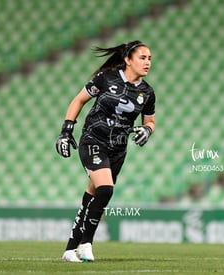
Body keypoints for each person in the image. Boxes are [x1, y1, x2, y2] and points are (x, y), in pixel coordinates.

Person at [55, 40, 156, 262]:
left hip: (118, 149)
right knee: (106, 189)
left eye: (149, 58)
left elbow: (150, 121)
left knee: (92, 196)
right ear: (128, 60)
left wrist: (147, 131)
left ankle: (70, 250)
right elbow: (79, 100)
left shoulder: (147, 93)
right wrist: (66, 131)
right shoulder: (106, 78)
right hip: (94, 140)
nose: (148, 62)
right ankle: (86, 244)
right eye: (142, 57)